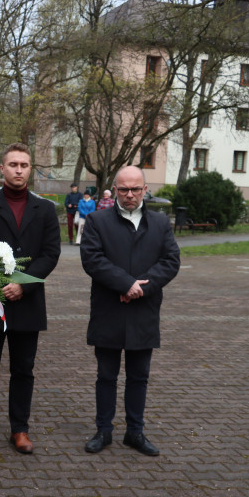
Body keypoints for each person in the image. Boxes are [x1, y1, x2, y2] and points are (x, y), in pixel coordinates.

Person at [0, 143, 61, 455]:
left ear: (30, 169)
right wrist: (2, 283)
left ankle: (19, 429)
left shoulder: (45, 209)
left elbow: (50, 253)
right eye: (13, 164)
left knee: (24, 369)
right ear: (2, 169)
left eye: (24, 165)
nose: (19, 170)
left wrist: (23, 284)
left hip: (28, 301)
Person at [81, 166, 180, 457]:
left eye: (135, 189)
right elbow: (92, 259)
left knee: (139, 376)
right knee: (106, 375)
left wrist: (141, 288)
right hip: (109, 309)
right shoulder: (97, 220)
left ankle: (135, 432)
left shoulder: (160, 223)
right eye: (123, 189)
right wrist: (125, 284)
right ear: (114, 190)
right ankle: (103, 431)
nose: (129, 195)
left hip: (144, 310)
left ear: (145, 189)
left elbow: (171, 260)